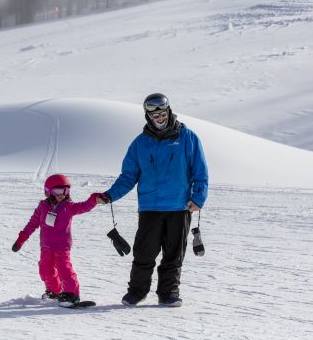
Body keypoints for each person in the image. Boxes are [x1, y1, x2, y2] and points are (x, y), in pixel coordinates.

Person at [98, 93, 208, 308]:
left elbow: (200, 172)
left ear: (169, 111)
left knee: (174, 254)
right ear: (147, 116)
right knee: (144, 252)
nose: (159, 117)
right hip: (150, 207)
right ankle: (137, 292)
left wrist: (198, 198)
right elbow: (128, 176)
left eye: (162, 112)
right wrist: (110, 195)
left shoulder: (188, 138)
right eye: (154, 114)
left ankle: (168, 293)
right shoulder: (140, 144)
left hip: (179, 206)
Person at [12, 174, 101, 307]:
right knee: (45, 269)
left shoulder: (68, 206)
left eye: (66, 191)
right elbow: (33, 223)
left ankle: (71, 295)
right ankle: (54, 292)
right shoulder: (42, 206)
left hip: (62, 246)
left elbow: (85, 206)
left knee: (64, 269)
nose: (62, 194)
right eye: (59, 191)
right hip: (46, 246)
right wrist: (21, 239)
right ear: (48, 192)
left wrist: (94, 199)